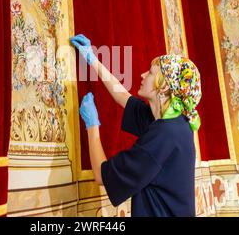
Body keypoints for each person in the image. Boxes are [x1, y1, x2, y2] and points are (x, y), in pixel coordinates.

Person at [70, 34, 202, 217]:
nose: (143, 75)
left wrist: (92, 126)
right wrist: (92, 59)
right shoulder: (174, 123)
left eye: (150, 72)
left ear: (163, 87)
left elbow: (101, 176)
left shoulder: (164, 134)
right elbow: (123, 96)